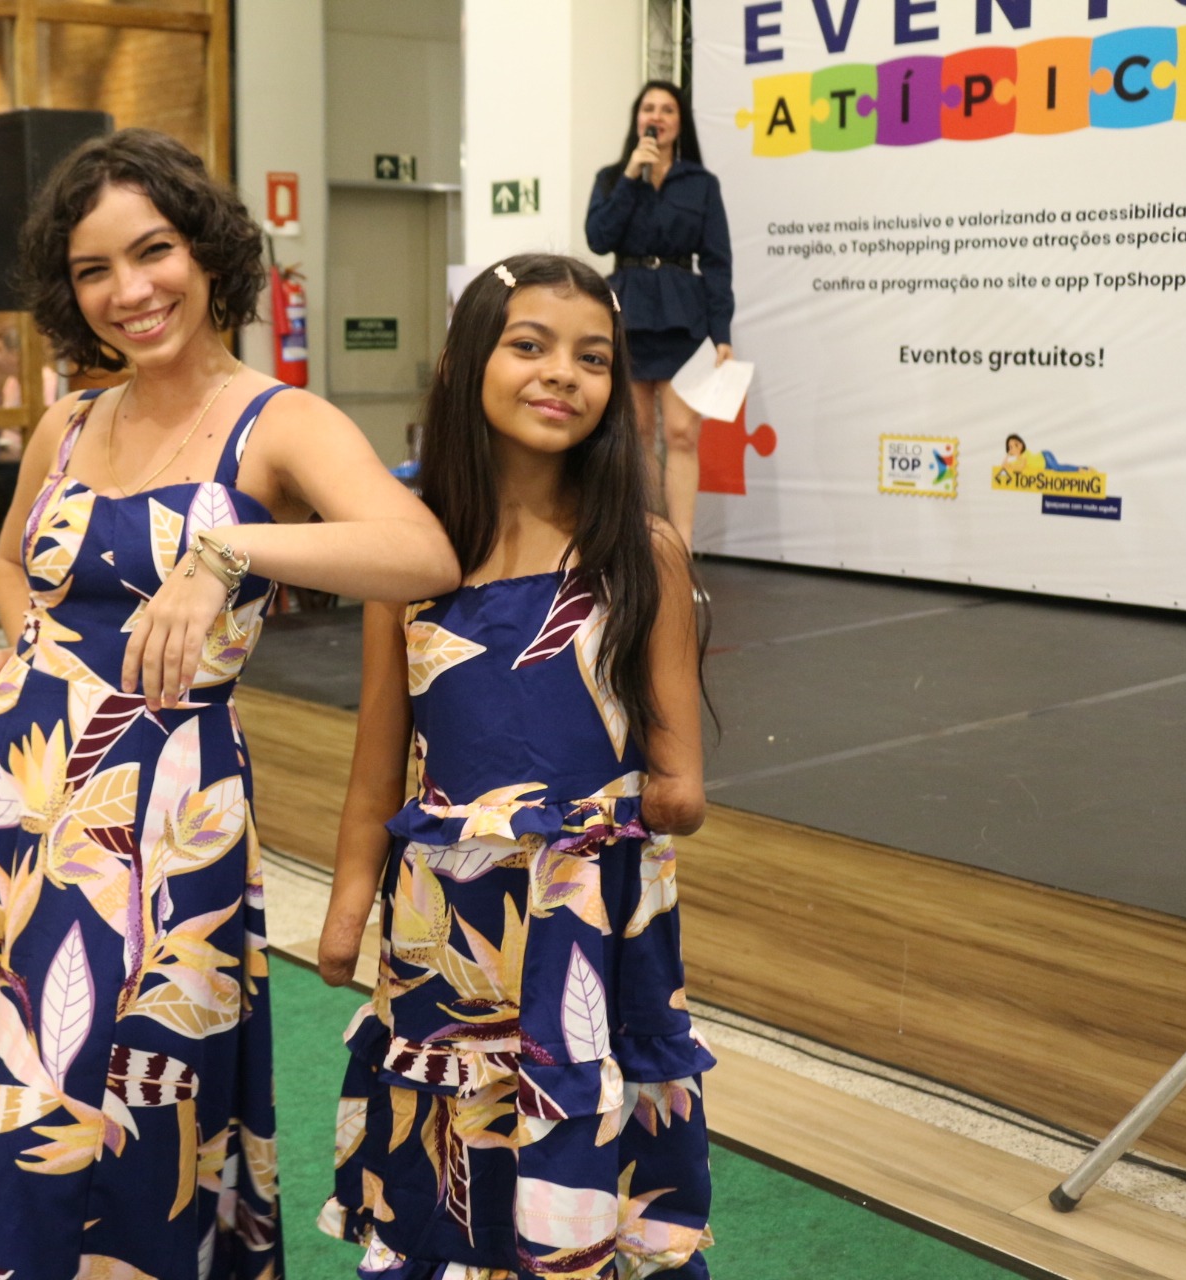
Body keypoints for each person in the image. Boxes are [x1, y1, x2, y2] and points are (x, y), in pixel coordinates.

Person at [0, 128, 461, 1280]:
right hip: (2, 814)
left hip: (163, 825)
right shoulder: (69, 420)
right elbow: (12, 561)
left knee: (135, 1119)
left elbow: (422, 551)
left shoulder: (277, 422)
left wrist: (229, 549)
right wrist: (24, 644)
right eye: (94, 270)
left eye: (153, 252)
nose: (130, 290)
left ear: (207, 251)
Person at [316, 255, 715, 1278]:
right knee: (452, 1156)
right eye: (529, 345)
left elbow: (681, 775)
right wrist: (349, 901)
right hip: (442, 923)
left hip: (588, 921)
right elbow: (377, 762)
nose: (562, 374)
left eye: (593, 358)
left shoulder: (645, 552)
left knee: (579, 1139)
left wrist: (651, 799)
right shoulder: (409, 561)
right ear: (465, 365)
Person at [586, 79, 734, 550]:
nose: (657, 116)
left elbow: (717, 261)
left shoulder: (701, 184)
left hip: (682, 314)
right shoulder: (612, 177)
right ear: (637, 119)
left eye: (667, 109)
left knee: (682, 433)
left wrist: (722, 332)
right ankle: (647, 542)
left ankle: (680, 548)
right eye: (649, 108)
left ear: (679, 122)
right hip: (627, 311)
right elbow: (598, 239)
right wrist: (632, 175)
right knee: (638, 433)